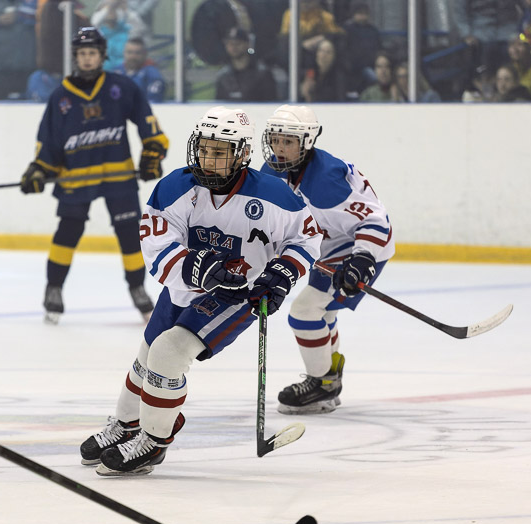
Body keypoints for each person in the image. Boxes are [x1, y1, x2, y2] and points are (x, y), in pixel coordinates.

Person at [79, 106, 321, 476]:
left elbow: (306, 237)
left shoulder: (274, 196)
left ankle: (154, 440)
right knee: (147, 357)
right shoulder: (175, 187)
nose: (208, 160)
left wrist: (281, 275)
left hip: (239, 294)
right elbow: (158, 246)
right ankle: (128, 424)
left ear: (242, 154)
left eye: (220, 152)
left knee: (168, 352)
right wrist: (195, 267)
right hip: (182, 289)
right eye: (205, 149)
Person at [20, 26, 169, 324]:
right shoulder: (61, 96)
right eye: (82, 54)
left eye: (92, 53)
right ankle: (54, 288)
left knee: (129, 234)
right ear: (75, 57)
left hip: (118, 175)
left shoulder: (122, 88)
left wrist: (152, 151)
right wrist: (39, 169)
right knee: (68, 231)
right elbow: (48, 142)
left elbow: (147, 123)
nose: (87, 59)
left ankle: (138, 288)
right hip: (77, 177)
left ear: (102, 55)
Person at [259, 105, 394, 414]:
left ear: (306, 142)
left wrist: (361, 260)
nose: (280, 148)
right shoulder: (271, 172)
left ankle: (322, 383)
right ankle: (330, 375)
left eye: (288, 142)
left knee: (305, 311)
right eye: (276, 140)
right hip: (326, 249)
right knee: (322, 314)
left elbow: (375, 221)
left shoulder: (326, 182)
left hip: (359, 247)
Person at [215, 26, 279, 102]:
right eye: (230, 44)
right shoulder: (223, 76)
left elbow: (271, 104)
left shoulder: (263, 74)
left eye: (238, 43)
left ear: (247, 44)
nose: (234, 47)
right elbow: (218, 105)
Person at [113, 37, 165, 102]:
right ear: (124, 53)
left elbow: (153, 103)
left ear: (145, 54)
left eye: (137, 53)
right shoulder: (116, 72)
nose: (133, 56)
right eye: (129, 52)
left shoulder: (153, 75)